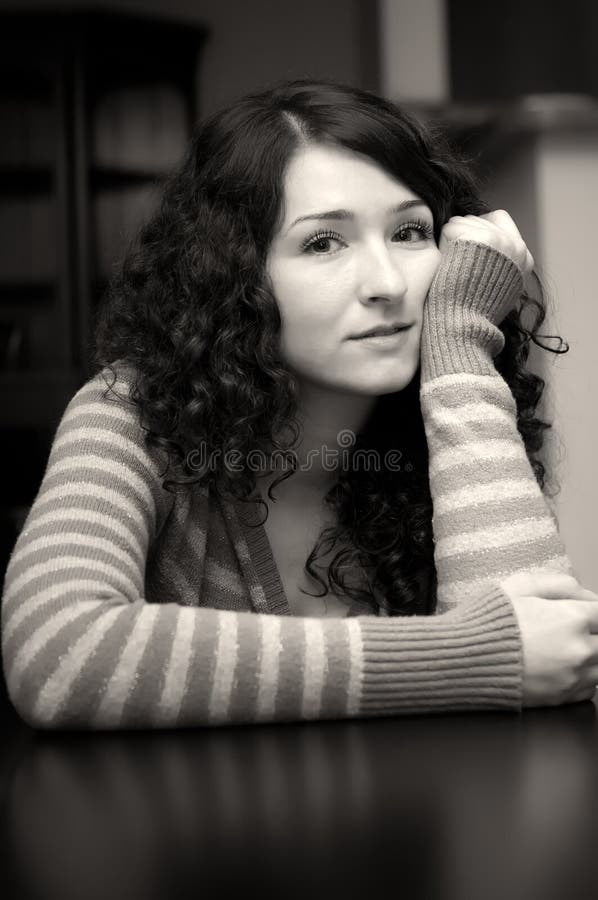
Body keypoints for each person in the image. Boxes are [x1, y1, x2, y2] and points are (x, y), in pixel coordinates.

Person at [2, 78, 597, 730]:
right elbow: (59, 653)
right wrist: (472, 656)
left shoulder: (436, 428)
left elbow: (550, 660)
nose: (388, 284)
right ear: (236, 274)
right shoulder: (134, 415)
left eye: (409, 232)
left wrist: (460, 350)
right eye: (323, 243)